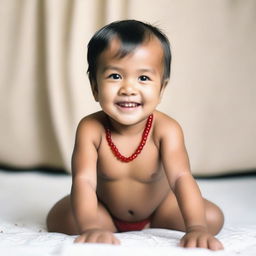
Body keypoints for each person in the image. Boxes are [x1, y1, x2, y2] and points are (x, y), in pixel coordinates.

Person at [47, 20, 224, 250]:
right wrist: (90, 225)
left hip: (159, 208)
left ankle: (157, 222)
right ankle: (102, 225)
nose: (128, 89)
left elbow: (181, 178)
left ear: (161, 88)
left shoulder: (166, 129)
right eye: (115, 76)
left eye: (143, 78)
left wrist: (196, 227)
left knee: (212, 218)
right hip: (104, 210)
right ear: (94, 87)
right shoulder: (91, 129)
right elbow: (84, 181)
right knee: (58, 218)